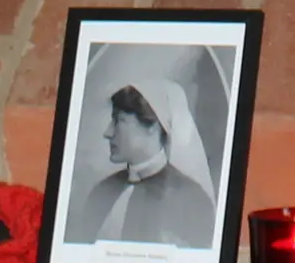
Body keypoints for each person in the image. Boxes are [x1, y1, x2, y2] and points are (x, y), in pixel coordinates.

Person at [76, 80, 218, 248]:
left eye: (119, 120)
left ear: (153, 125)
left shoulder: (193, 201)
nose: (108, 132)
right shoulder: (102, 192)